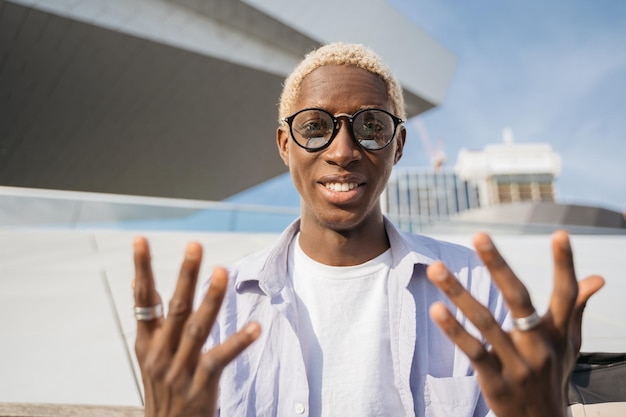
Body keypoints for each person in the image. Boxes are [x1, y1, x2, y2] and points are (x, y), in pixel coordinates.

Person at [132, 43, 605, 417]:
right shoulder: (221, 310)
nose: (342, 150)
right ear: (285, 145)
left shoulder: (473, 288)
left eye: (371, 127)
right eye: (315, 127)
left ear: (398, 146)